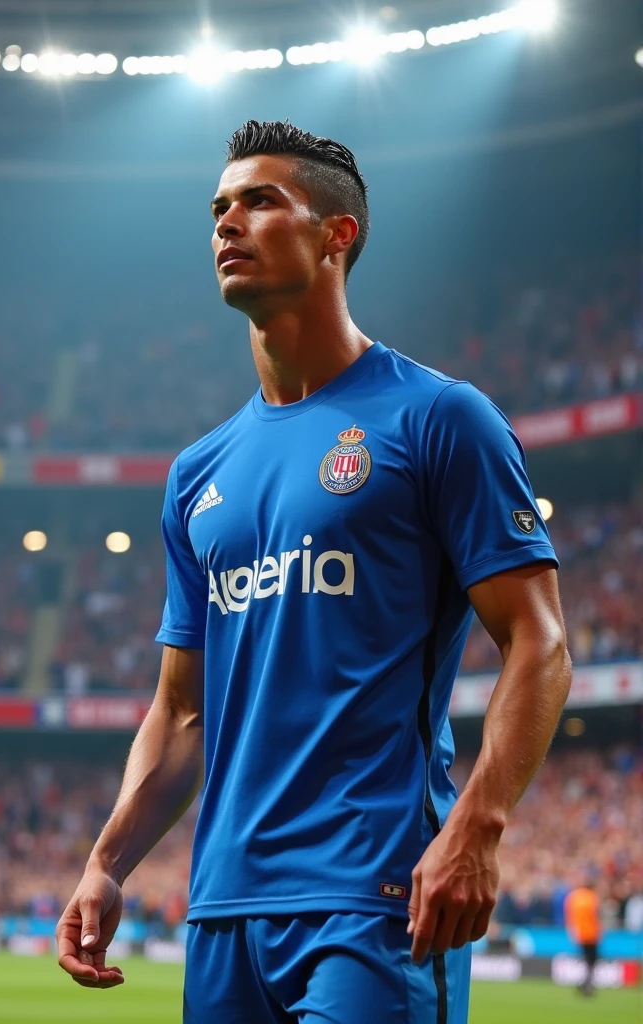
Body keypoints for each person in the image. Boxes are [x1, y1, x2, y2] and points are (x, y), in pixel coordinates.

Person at [56, 120, 572, 1023]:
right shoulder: (197, 475)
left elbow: (541, 641)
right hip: (222, 914)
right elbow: (182, 709)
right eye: (218, 208)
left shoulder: (439, 418)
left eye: (259, 201)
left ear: (340, 234)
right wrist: (107, 861)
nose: (227, 223)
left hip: (371, 901)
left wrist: (476, 826)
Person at [564, 880, 601, 996]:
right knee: (592, 961)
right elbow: (595, 915)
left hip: (580, 934)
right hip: (591, 934)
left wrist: (572, 931)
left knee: (587, 960)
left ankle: (585, 983)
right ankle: (587, 984)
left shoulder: (574, 896)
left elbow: (569, 916)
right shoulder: (592, 897)